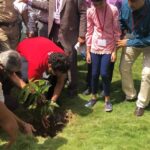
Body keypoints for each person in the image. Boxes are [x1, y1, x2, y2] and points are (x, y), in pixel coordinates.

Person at [85, 0, 121, 111]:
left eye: (100, 3)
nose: (98, 6)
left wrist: (115, 51)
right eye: (95, 4)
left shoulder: (113, 10)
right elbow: (89, 31)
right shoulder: (90, 11)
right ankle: (93, 97)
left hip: (108, 46)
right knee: (94, 74)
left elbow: (116, 31)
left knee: (105, 74)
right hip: (95, 47)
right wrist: (87, 51)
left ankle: (107, 100)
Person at [118, 0, 150, 116]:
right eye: (130, 1)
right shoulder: (126, 5)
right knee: (123, 67)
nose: (131, 4)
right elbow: (121, 22)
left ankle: (141, 104)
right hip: (132, 38)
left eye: (134, 2)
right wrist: (120, 35)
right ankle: (130, 94)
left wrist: (129, 42)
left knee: (147, 72)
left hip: (147, 41)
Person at [17, 36, 70, 103]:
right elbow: (34, 85)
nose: (58, 75)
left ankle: (50, 95)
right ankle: (27, 98)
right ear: (49, 65)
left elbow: (60, 82)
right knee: (25, 77)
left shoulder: (63, 59)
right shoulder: (35, 64)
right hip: (24, 48)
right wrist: (40, 96)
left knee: (59, 77)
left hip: (41, 44)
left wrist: (53, 101)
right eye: (56, 73)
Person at [0, 50, 35, 148]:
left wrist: (35, 94)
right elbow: (3, 111)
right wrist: (23, 125)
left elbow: (16, 78)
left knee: (11, 104)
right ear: (2, 66)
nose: (12, 75)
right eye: (10, 72)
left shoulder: (3, 61)